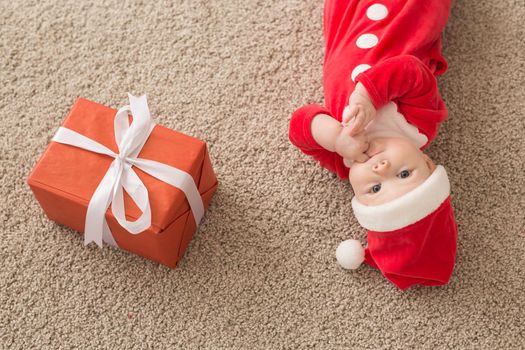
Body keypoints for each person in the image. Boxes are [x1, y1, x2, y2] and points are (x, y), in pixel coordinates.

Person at [288, 0, 458, 290]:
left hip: (348, 18)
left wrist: (335, 137)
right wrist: (368, 95)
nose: (381, 169)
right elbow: (412, 72)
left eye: (376, 189)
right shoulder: (417, 126)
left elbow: (299, 126)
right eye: (404, 175)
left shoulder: (345, 159)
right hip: (405, 14)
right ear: (427, 163)